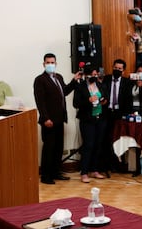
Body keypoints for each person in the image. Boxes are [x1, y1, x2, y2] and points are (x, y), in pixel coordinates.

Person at [33, 53, 81, 184]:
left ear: (56, 63)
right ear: (43, 64)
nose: (50, 65)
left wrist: (73, 81)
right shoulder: (40, 80)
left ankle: (56, 172)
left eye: (52, 62)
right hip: (49, 121)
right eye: (48, 63)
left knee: (58, 148)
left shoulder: (58, 77)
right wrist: (45, 118)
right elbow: (40, 101)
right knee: (49, 148)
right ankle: (46, 176)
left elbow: (64, 92)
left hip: (60, 119)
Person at [73, 65, 108, 183]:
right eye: (92, 75)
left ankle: (94, 169)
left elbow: (104, 96)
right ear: (86, 75)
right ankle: (84, 172)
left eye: (95, 74)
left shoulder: (99, 85)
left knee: (98, 144)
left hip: (100, 118)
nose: (94, 76)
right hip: (87, 119)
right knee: (88, 145)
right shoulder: (80, 86)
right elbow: (76, 103)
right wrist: (88, 101)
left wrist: (104, 101)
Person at [101, 58, 133, 174]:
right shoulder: (106, 79)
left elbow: (128, 100)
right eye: (115, 68)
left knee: (117, 139)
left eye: (119, 69)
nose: (117, 70)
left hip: (119, 115)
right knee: (105, 139)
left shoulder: (127, 82)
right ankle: (105, 165)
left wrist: (126, 115)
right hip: (106, 113)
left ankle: (116, 164)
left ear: (123, 71)